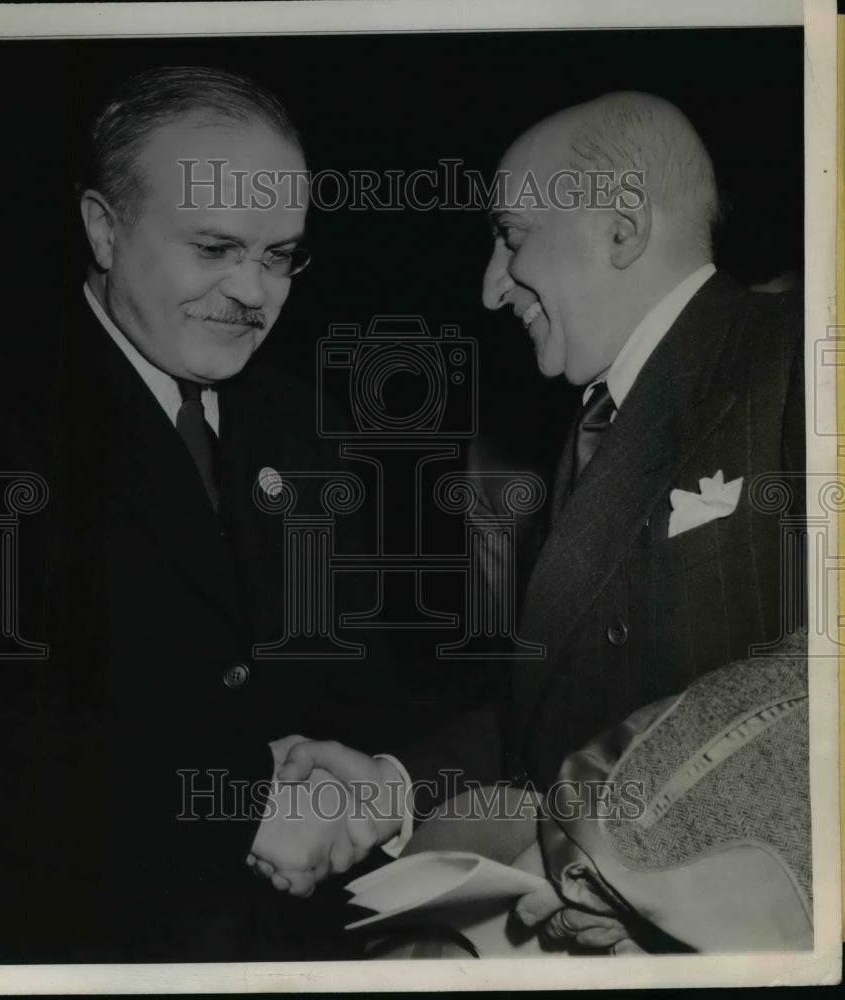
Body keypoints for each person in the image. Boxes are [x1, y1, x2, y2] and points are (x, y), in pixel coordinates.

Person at [262, 92, 806, 925]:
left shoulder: (801, 354)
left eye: (511, 237)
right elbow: (555, 706)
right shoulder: (595, 426)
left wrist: (607, 843)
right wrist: (390, 788)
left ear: (620, 229)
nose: (489, 289)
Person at [0, 65, 395, 964]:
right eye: (215, 247)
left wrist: (358, 778)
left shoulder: (301, 420)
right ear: (104, 229)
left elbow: (358, 670)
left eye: (278, 256)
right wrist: (237, 805)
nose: (254, 294)